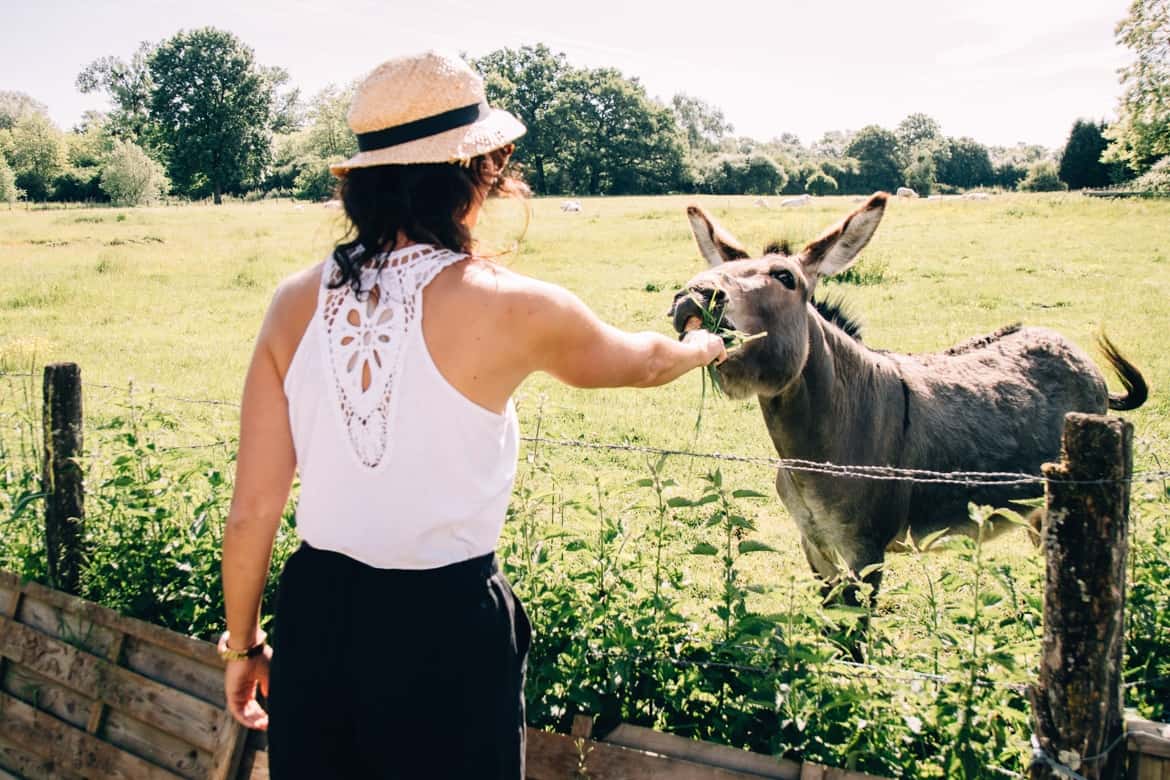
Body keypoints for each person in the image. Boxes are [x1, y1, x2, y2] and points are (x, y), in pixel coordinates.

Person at [219, 50, 726, 779]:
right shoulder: (514, 304)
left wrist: (243, 647)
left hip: (318, 616)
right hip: (446, 627)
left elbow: (253, 510)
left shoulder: (292, 301)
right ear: (478, 172)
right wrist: (702, 347)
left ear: (362, 182)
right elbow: (641, 362)